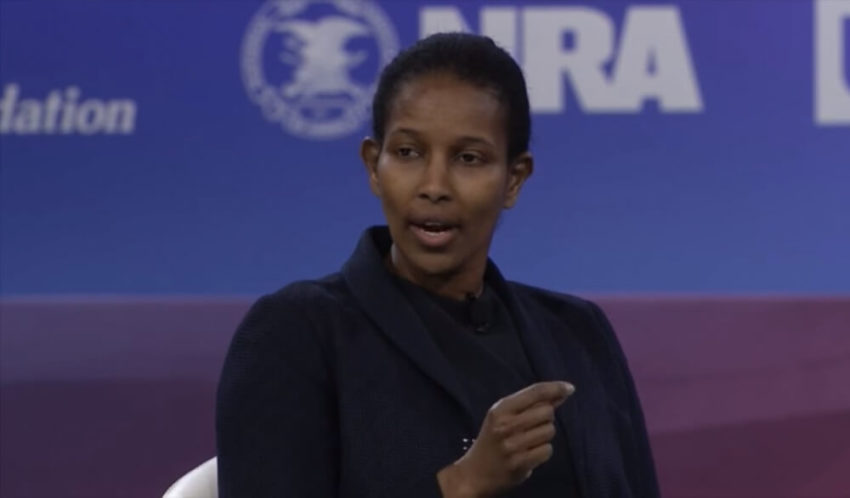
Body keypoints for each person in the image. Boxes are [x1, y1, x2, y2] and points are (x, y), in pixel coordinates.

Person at [216, 33, 659, 498]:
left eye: (469, 158)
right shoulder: (298, 332)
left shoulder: (578, 333)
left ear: (513, 179)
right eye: (409, 152)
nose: (434, 185)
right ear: (373, 165)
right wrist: (463, 483)